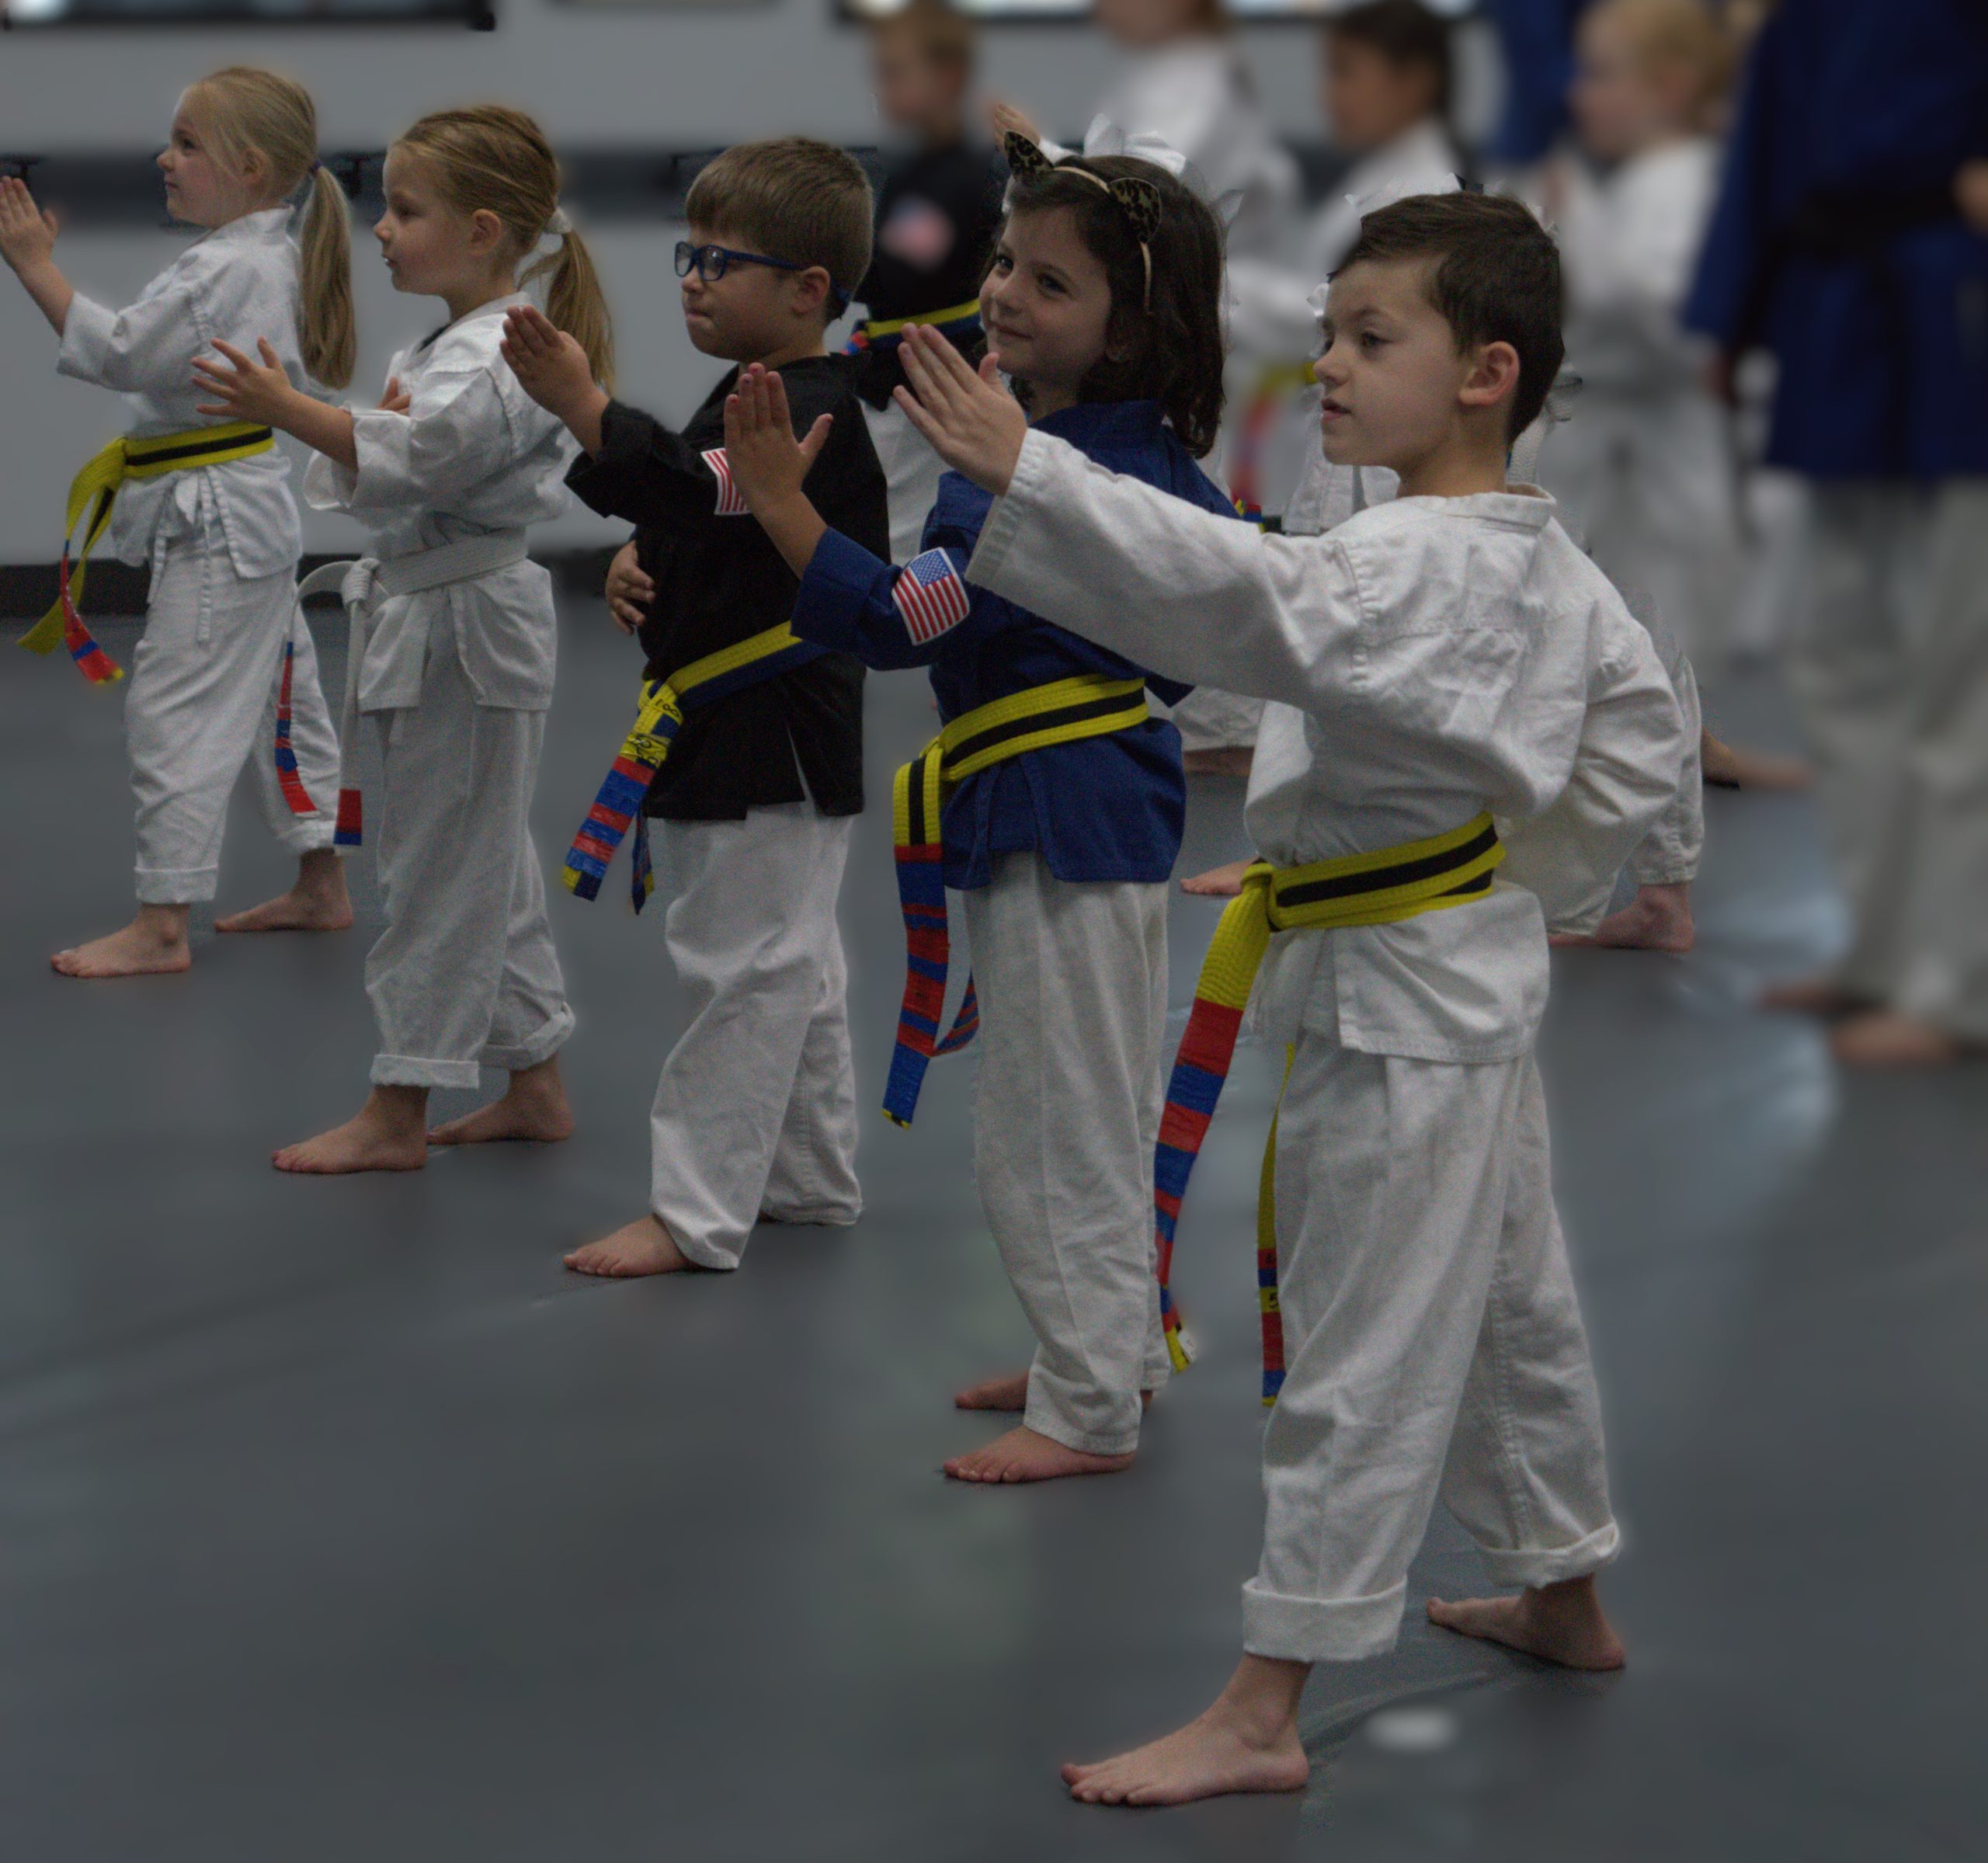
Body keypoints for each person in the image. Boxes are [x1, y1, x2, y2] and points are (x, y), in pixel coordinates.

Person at [891, 187, 1685, 1800]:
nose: (1324, 363)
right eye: (1327, 330)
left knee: (1358, 1344)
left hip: (1399, 1006)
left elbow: (1247, 601)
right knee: (1510, 1304)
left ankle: (1266, 1702)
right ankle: (1564, 1592)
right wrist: (1520, 881)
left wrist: (1031, 470)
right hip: (1452, 975)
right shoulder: (1532, 550)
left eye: (1369, 338)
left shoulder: (1404, 558)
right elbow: (1637, 736)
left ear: (1487, 371)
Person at [721, 134, 1242, 1484]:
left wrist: (780, 507)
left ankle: (1089, 1402)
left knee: (1050, 1123)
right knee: (1100, 1102)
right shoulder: (1133, 461)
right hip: (1097, 806)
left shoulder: (1035, 480)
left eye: (1050, 283)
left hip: (1056, 815)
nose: (1005, 292)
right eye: (1007, 261)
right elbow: (1202, 616)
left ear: (1133, 330)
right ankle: (1105, 1349)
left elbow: (905, 619)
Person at [194, 106, 606, 1171]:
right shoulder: (457, 343)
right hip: (439, 613)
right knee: (484, 862)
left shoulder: (503, 350)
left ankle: (400, 1103)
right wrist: (362, 425)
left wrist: (288, 405)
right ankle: (536, 1083)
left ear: (481, 231)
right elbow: (403, 468)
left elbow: (421, 460)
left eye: (406, 210)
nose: (381, 228)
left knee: (437, 872)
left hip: (463, 628)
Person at [499, 137, 885, 1274]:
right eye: (690, 255)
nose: (694, 279)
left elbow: (701, 485)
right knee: (792, 964)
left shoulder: (807, 410)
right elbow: (714, 512)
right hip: (754, 728)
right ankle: (807, 1177)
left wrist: (583, 405)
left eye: (722, 261)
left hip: (770, 734)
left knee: (743, 967)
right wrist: (643, 556)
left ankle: (698, 1211)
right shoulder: (765, 393)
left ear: (808, 289)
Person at [1685, 0, 1988, 1065]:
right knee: (1842, 657)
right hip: (1840, 317)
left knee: (1964, 673)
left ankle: (1960, 984)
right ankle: (1883, 949)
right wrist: (1730, 313)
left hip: (1960, 303)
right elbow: (1768, 138)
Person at [0, 67, 352, 979]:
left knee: (177, 711)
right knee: (284, 700)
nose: (166, 158)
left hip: (220, 524)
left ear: (250, 168)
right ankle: (323, 877)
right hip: (249, 512)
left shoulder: (225, 267)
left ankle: (163, 921)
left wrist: (35, 267)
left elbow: (123, 354)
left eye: (188, 145)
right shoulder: (265, 256)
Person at [853, 0, 1006, 561]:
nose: (883, 87)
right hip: (902, 369)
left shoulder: (966, 174)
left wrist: (818, 258)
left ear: (948, 77)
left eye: (896, 72)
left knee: (904, 538)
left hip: (930, 380)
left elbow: (896, 269)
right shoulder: (920, 170)